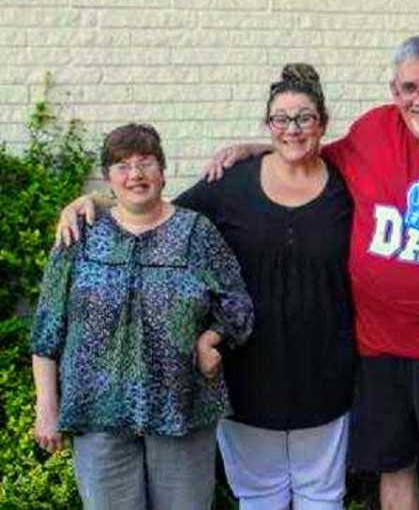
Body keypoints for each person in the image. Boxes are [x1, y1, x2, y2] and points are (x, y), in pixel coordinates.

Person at [153, 35, 419, 510]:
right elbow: (304, 154)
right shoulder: (373, 131)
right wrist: (257, 149)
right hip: (381, 347)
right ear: (393, 91)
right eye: (409, 87)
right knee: (394, 473)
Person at [56, 65, 357, 510]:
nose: (292, 128)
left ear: (324, 123)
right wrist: (96, 201)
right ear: (267, 124)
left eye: (304, 117)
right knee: (259, 495)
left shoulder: (347, 184)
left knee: (323, 495)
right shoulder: (231, 184)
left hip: (327, 370)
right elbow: (157, 213)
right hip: (248, 371)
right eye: (281, 119)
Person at [32, 123, 254, 510]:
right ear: (108, 178)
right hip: (98, 413)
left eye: (145, 163)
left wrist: (211, 338)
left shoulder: (196, 232)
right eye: (122, 166)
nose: (135, 174)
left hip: (181, 409)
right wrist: (47, 408)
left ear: (163, 171)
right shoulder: (80, 234)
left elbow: (237, 302)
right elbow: (48, 329)